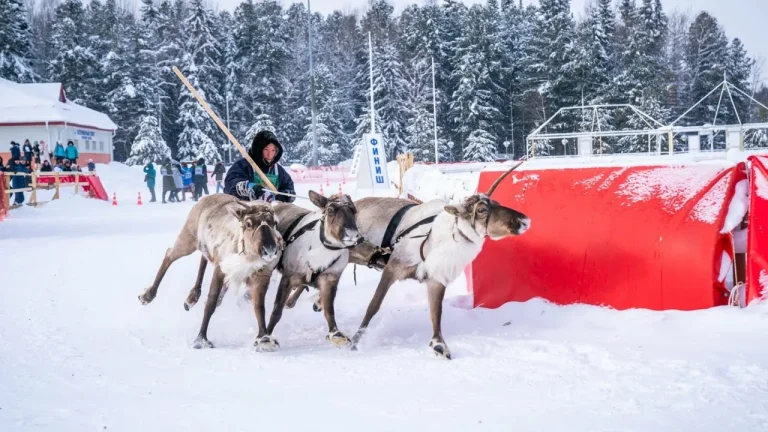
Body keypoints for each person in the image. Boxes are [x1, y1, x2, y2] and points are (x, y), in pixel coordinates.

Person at [224, 130, 295, 203]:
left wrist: (286, 196)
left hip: (272, 209)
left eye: (273, 150)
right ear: (258, 149)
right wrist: (248, 187)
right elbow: (230, 186)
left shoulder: (278, 171)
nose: (270, 155)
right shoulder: (243, 165)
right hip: (245, 208)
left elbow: (290, 189)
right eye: (266, 149)